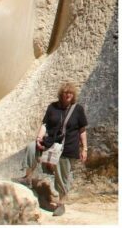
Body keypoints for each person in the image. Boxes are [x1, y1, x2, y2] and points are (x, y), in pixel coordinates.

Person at [17, 82, 88, 217]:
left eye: (70, 93)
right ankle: (27, 177)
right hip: (51, 142)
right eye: (65, 92)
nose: (68, 95)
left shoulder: (77, 109)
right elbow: (45, 124)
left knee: (62, 175)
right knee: (32, 148)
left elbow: (82, 130)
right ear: (61, 94)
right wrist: (39, 137)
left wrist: (85, 148)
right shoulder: (52, 107)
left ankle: (61, 204)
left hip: (67, 146)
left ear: (73, 95)